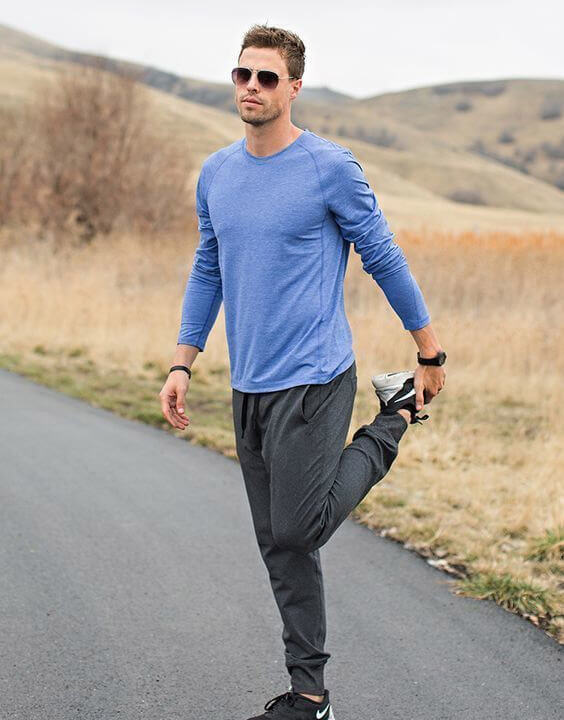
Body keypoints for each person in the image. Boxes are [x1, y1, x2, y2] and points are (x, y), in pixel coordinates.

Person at [159, 23, 446, 720]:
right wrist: (182, 361)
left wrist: (429, 351)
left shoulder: (328, 167)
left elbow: (383, 256)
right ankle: (309, 697)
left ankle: (394, 416)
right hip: (247, 383)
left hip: (316, 378)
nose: (250, 87)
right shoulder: (218, 173)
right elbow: (208, 268)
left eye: (265, 77)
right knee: (279, 545)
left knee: (297, 530)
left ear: (292, 87)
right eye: (241, 75)